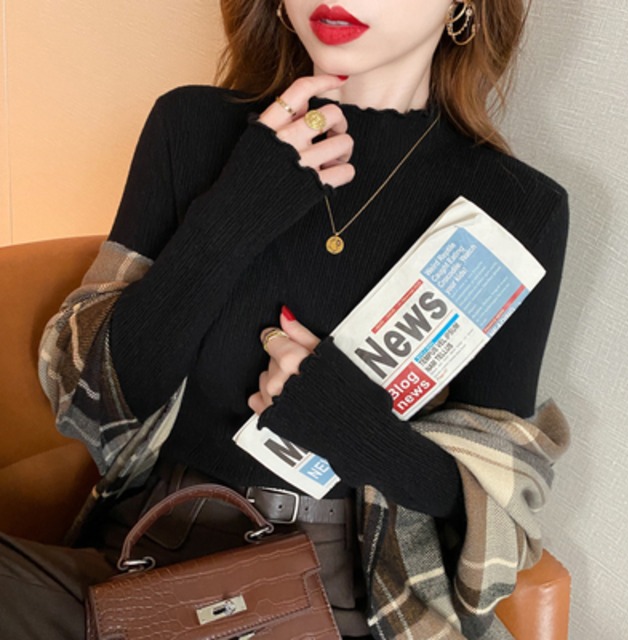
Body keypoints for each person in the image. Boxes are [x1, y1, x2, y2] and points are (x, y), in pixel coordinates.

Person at [1, 1, 570, 638]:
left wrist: (358, 431)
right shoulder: (194, 125)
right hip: (146, 558)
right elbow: (92, 400)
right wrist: (232, 217)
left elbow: (494, 515)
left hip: (334, 593)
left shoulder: (517, 206)